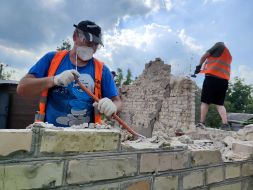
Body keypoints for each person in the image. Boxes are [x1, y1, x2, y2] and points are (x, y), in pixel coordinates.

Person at [17, 20, 122, 127]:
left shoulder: (102, 70)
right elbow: (22, 88)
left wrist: (113, 106)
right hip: (50, 134)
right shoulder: (52, 59)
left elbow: (117, 101)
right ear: (75, 36)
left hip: (87, 137)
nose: (92, 48)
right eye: (88, 42)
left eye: (96, 45)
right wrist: (54, 80)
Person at [193, 42, 232, 130]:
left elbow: (204, 56)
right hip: (224, 81)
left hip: (212, 79)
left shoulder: (218, 45)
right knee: (219, 104)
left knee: (205, 101)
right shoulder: (228, 54)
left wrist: (199, 66)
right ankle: (225, 125)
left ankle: (201, 123)